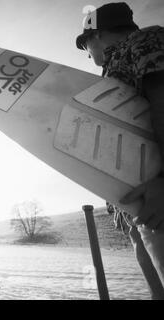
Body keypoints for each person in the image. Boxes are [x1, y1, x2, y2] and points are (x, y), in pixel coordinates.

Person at [76, 2, 164, 299]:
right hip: (142, 206)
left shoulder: (146, 41)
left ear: (96, 35)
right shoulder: (115, 68)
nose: (88, 55)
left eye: (86, 45)